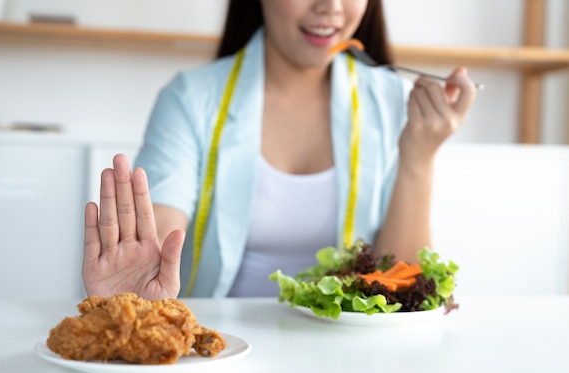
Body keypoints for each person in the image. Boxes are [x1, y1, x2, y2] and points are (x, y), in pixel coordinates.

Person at [82, 0, 477, 300]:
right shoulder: (191, 98)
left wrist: (418, 157)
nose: (331, 7)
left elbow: (401, 285)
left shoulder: (396, 101)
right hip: (223, 350)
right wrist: (138, 280)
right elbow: (161, 233)